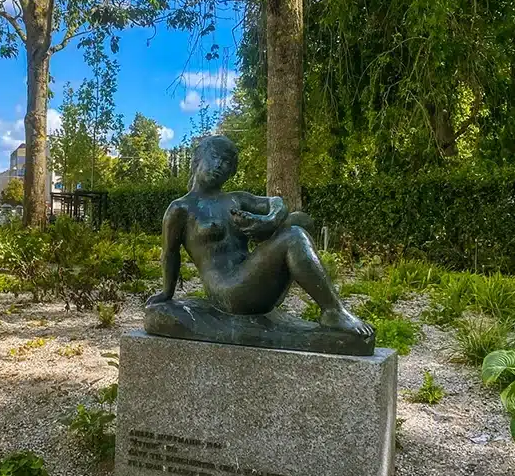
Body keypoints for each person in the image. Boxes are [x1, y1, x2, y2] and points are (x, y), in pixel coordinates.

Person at [147, 135, 373, 338]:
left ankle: (332, 310)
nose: (220, 166)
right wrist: (167, 292)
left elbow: (276, 203)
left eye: (227, 163)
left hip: (250, 281)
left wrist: (270, 220)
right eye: (215, 157)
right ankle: (333, 311)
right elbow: (170, 252)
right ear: (197, 160)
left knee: (299, 220)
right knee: (294, 235)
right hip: (227, 291)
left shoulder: (235, 199)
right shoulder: (181, 209)